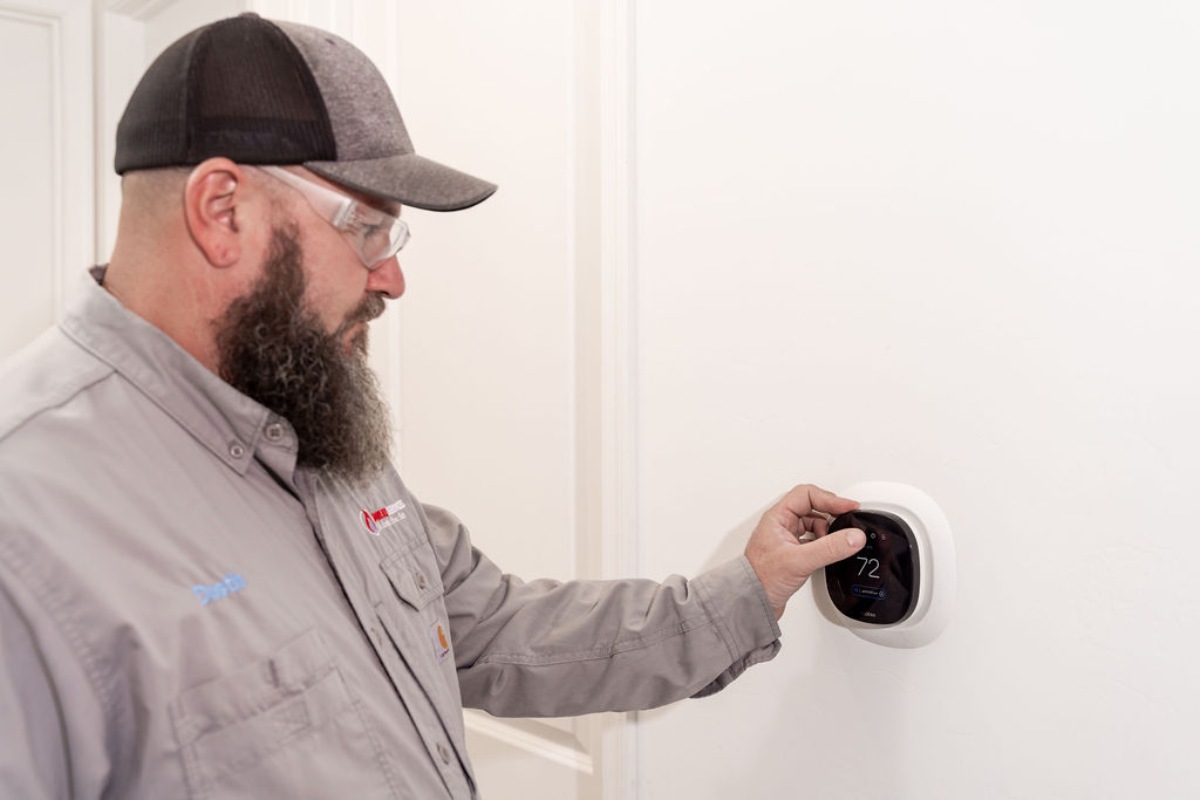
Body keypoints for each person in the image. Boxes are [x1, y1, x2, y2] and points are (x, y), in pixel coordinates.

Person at [0, 13, 866, 799]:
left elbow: (493, 626)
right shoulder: (27, 528)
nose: (393, 277)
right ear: (223, 211)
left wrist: (744, 591)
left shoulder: (305, 410)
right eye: (368, 230)